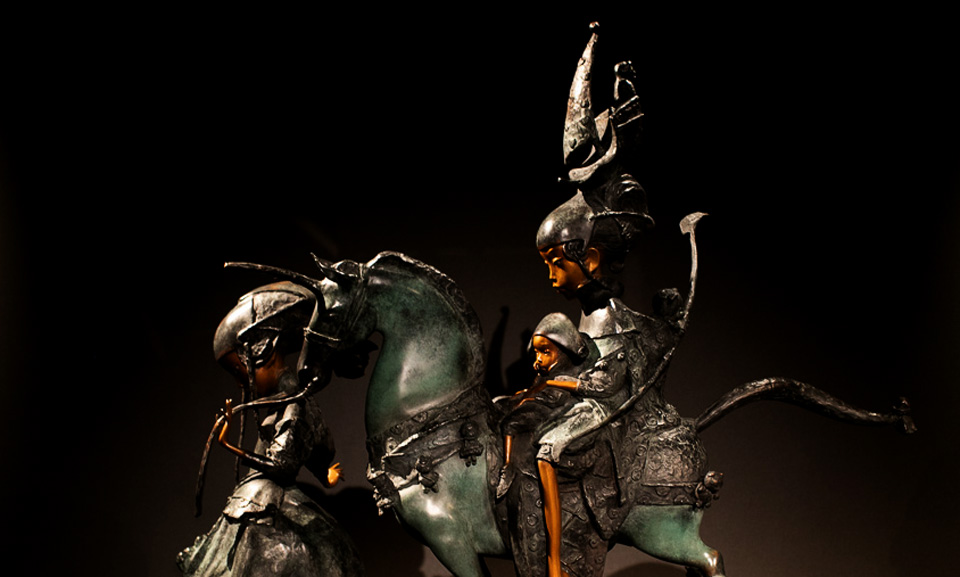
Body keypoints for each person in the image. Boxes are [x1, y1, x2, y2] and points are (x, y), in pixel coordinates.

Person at [178, 282, 364, 577]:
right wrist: (323, 471)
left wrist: (227, 444)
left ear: (263, 350)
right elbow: (303, 443)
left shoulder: (293, 403)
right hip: (256, 496)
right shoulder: (286, 401)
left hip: (263, 498)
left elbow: (281, 464)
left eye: (239, 371)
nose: (240, 382)